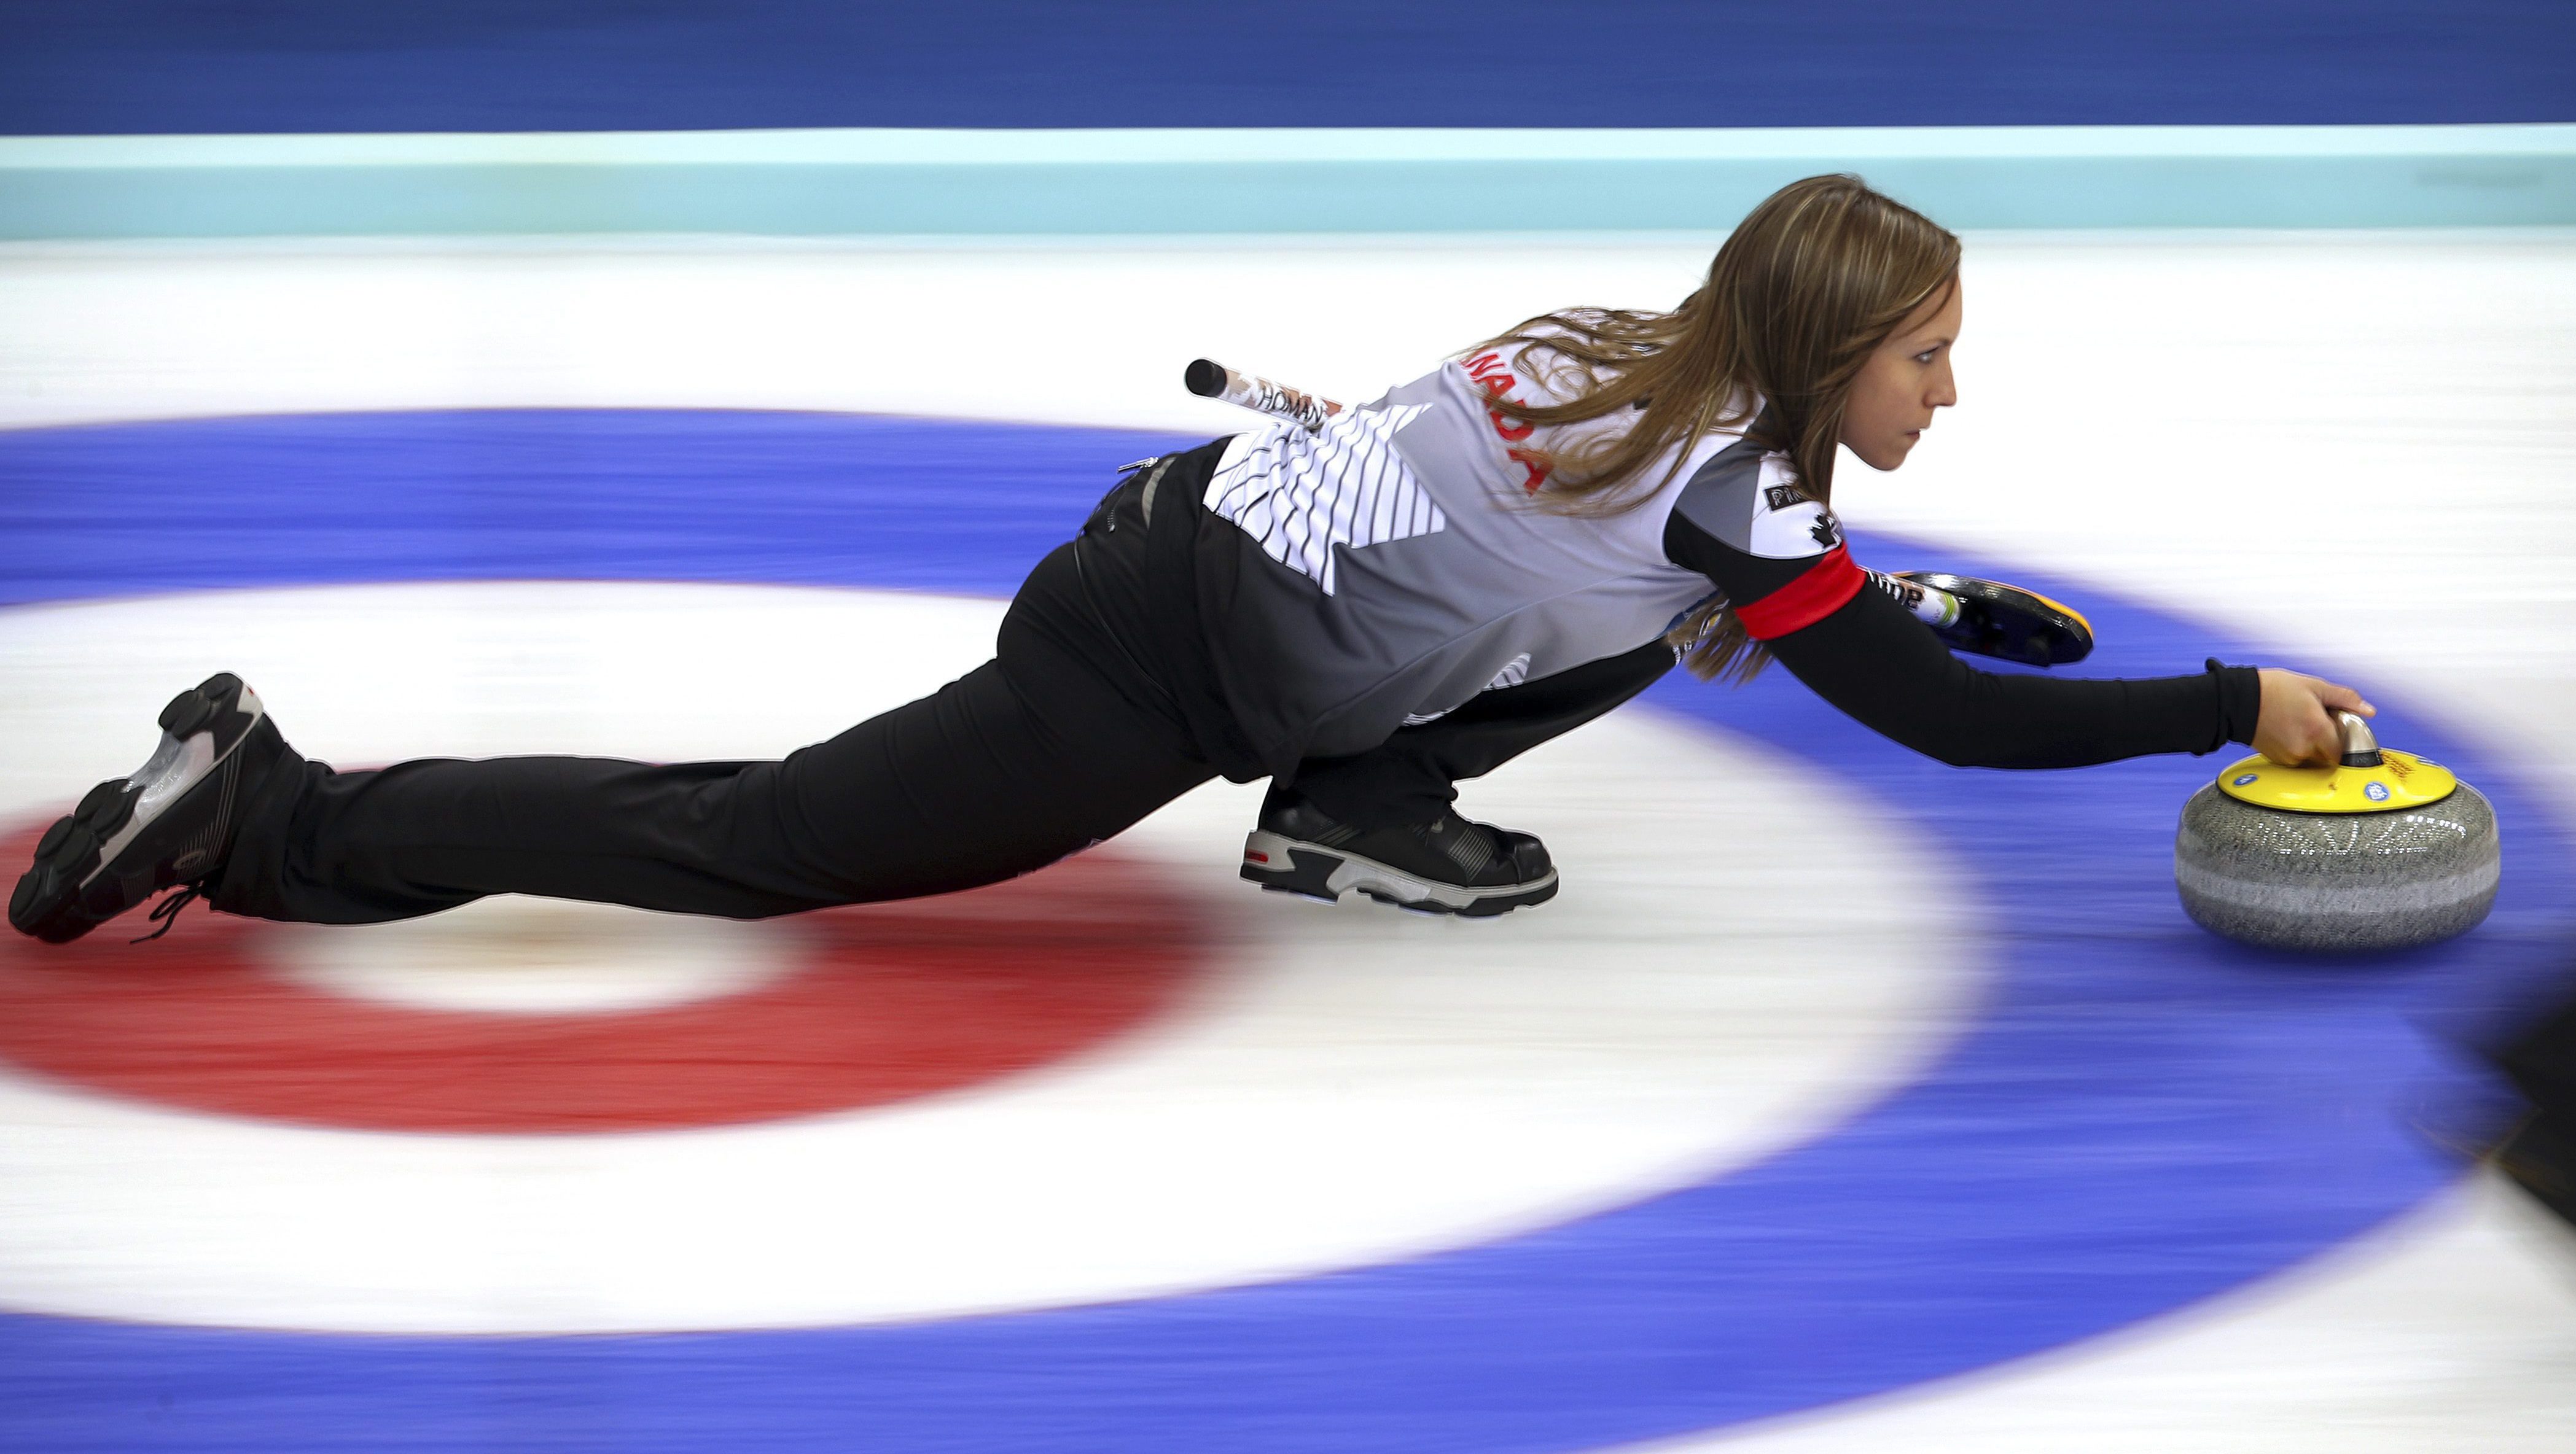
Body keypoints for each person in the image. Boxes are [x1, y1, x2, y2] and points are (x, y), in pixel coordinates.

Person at [9, 174, 2373, 946]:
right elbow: (1927, 717)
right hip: (1142, 666)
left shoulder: (1631, 354)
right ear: (1837, 348)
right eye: (1930, 363)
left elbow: (1666, 565)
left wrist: (1911, 594)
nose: (1946, 398)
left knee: (1659, 627)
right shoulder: (1731, 495)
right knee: (763, 842)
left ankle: (1345, 801)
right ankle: (279, 814)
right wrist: (2213, 703)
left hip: (1186, 560)